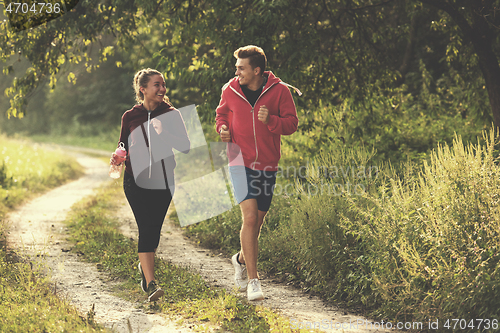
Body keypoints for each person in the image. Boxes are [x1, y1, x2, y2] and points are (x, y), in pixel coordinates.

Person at [215, 45, 300, 301]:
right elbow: (221, 115)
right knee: (250, 218)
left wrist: (271, 120)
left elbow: (292, 124)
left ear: (257, 70)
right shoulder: (229, 90)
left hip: (267, 164)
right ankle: (254, 280)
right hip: (238, 161)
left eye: (241, 68)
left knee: (257, 222)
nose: (236, 71)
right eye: (236, 67)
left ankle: (240, 259)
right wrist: (222, 129)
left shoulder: (280, 92)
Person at [110, 68, 190, 302]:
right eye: (157, 85)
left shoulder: (172, 115)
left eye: (163, 85)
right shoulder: (129, 116)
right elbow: (122, 144)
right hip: (135, 180)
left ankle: (144, 271)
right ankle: (151, 283)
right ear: (142, 89)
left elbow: (185, 145)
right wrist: (118, 156)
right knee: (145, 227)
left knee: (153, 230)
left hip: (164, 180)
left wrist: (164, 132)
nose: (162, 89)